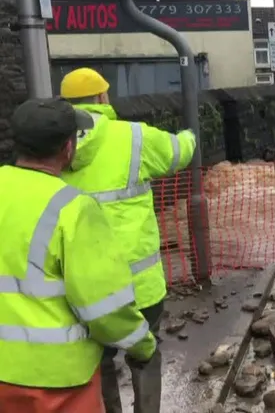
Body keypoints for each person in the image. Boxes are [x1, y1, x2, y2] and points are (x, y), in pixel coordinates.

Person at [0, 97, 157, 412]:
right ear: (68, 149)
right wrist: (143, 343)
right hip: (57, 383)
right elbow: (104, 309)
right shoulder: (73, 209)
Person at [58, 68, 196, 413]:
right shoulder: (134, 137)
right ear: (103, 98)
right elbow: (179, 152)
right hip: (140, 287)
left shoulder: (52, 147)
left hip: (82, 288)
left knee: (97, 360)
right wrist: (191, 134)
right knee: (144, 353)